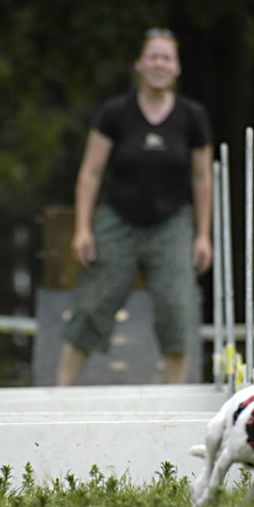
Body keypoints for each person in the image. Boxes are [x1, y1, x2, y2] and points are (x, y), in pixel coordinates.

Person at [56, 28, 213, 386]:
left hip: (172, 222)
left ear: (177, 68)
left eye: (167, 58)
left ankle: (174, 400)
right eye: (153, 56)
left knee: (176, 307)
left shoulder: (192, 117)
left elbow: (202, 179)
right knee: (91, 304)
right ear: (140, 64)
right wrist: (83, 228)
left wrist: (203, 235)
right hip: (118, 220)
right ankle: (60, 392)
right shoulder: (115, 113)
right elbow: (91, 173)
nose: (159, 64)